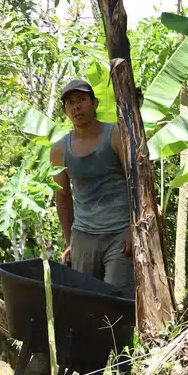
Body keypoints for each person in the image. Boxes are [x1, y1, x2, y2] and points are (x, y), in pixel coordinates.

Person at [51, 79, 134, 292]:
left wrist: (133, 228)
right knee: (85, 302)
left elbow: (136, 182)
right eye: (70, 102)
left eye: (82, 100)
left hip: (119, 234)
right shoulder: (60, 150)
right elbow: (62, 197)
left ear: (94, 103)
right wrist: (69, 241)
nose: (77, 106)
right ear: (65, 110)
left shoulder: (115, 136)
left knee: (118, 300)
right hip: (84, 236)